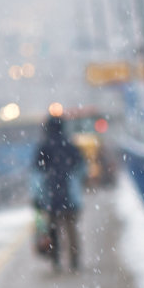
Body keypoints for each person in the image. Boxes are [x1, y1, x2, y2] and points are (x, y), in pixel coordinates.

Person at [32, 114, 85, 272]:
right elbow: (80, 167)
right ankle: (74, 261)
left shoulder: (44, 147)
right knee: (71, 228)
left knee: (53, 228)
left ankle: (56, 261)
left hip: (51, 195)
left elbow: (37, 173)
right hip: (70, 194)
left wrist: (38, 195)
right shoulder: (69, 145)